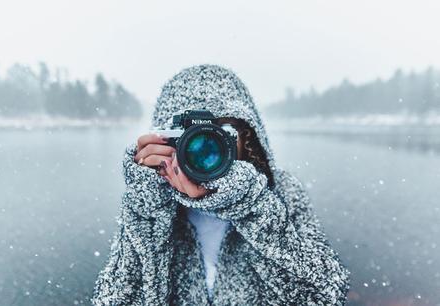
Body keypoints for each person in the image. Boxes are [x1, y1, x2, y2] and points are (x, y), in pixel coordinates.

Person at [91, 65, 350, 305]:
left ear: (246, 136)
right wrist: (147, 209)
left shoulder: (281, 191)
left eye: (221, 131)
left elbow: (324, 295)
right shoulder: (152, 201)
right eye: (189, 136)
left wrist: (249, 204)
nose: (204, 147)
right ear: (165, 139)